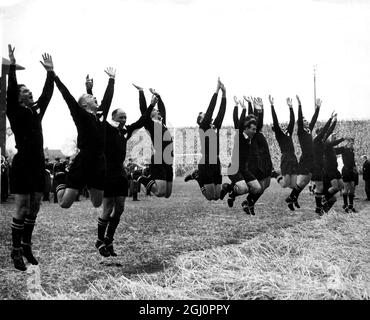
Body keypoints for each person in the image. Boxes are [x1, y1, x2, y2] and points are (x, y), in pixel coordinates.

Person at [85, 76, 155, 256]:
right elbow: (95, 112)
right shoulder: (106, 128)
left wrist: (148, 100)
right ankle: (100, 241)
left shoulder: (126, 130)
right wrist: (89, 89)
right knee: (107, 208)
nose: (124, 119)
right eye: (121, 116)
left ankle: (109, 239)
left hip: (120, 173)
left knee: (120, 208)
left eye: (125, 117)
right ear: (113, 117)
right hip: (107, 173)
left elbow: (143, 119)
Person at [6, 44, 54, 271]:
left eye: (29, 91)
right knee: (22, 207)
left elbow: (47, 95)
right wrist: (13, 67)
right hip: (22, 163)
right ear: (18, 97)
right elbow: (11, 89)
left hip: (37, 164)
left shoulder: (35, 111)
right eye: (24, 91)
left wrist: (50, 72)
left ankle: (26, 245)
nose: (29, 93)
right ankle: (15, 251)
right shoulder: (14, 110)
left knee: (34, 207)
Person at [52, 64, 116, 209]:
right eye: (90, 96)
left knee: (97, 203)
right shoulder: (80, 114)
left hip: (99, 161)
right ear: (84, 104)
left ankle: (87, 183)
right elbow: (67, 96)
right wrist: (54, 75)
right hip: (84, 160)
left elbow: (107, 99)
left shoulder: (100, 115)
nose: (94, 97)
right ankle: (61, 177)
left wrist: (112, 79)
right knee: (64, 203)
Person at [184, 78, 226, 200]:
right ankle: (198, 178)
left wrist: (225, 94)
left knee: (217, 196)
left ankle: (198, 176)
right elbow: (211, 109)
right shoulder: (203, 127)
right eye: (204, 116)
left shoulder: (215, 127)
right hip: (206, 162)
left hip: (216, 162)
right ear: (200, 121)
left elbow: (221, 112)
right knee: (210, 197)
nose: (208, 116)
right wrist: (216, 91)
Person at [220, 97, 262, 214]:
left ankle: (229, 189)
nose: (254, 131)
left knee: (258, 189)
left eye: (255, 129)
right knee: (244, 188)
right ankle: (231, 190)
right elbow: (237, 121)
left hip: (244, 169)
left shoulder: (251, 138)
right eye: (252, 129)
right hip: (234, 168)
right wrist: (240, 107)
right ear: (246, 128)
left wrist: (258, 110)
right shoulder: (239, 135)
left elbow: (258, 122)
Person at [133, 85, 174, 198]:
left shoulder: (162, 123)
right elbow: (143, 110)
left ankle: (146, 174)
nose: (158, 111)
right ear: (150, 113)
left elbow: (163, 109)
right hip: (159, 158)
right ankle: (139, 177)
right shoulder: (149, 123)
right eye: (155, 110)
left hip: (168, 159)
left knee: (167, 194)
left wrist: (158, 95)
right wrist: (141, 92)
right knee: (159, 192)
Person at [285, 96, 320, 210]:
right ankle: (291, 197)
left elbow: (314, 119)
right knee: (301, 181)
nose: (307, 121)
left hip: (312, 159)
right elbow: (300, 118)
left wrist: (318, 108)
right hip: (306, 159)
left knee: (306, 181)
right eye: (304, 120)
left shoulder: (308, 130)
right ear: (301, 123)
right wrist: (299, 105)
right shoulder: (301, 130)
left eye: (306, 120)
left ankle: (293, 198)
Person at [269, 95, 298, 192]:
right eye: (278, 126)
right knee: (285, 184)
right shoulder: (279, 135)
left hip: (293, 157)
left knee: (294, 185)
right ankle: (275, 175)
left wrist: (290, 107)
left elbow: (292, 121)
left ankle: (291, 199)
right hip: (286, 158)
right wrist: (272, 106)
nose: (281, 125)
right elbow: (275, 121)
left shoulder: (288, 132)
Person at [311, 110, 335, 215]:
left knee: (332, 198)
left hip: (321, 169)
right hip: (316, 167)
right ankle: (319, 208)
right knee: (320, 188)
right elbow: (326, 130)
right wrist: (330, 119)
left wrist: (334, 121)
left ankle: (322, 210)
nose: (324, 135)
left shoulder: (321, 141)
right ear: (318, 133)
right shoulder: (316, 140)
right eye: (321, 133)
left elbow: (328, 131)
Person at [335, 138, 357, 212]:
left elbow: (353, 161)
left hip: (351, 171)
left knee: (352, 188)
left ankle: (351, 205)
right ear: (347, 143)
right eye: (351, 143)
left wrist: (355, 168)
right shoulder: (343, 149)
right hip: (346, 170)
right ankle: (345, 205)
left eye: (353, 143)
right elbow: (334, 150)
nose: (352, 144)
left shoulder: (352, 151)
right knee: (346, 188)